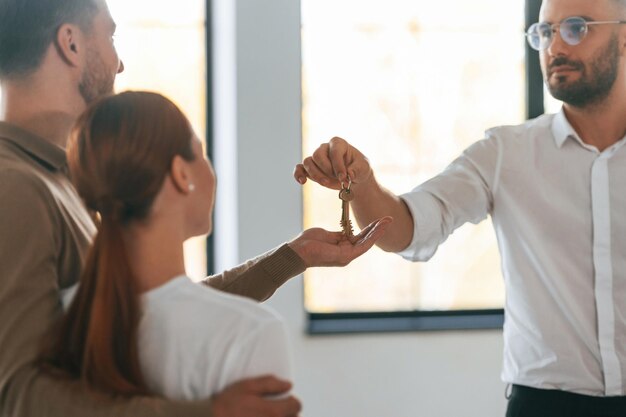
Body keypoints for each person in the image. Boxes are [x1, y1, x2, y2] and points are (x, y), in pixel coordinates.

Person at [0, 0, 391, 416]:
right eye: (110, 36)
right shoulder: (15, 188)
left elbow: (153, 318)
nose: (119, 64)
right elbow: (18, 396)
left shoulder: (63, 182)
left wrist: (293, 257)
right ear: (71, 44)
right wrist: (204, 413)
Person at [294, 0, 626, 416]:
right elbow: (414, 225)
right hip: (544, 405)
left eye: (576, 28)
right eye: (544, 33)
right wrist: (362, 185)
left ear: (624, 36)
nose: (555, 46)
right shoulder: (505, 153)